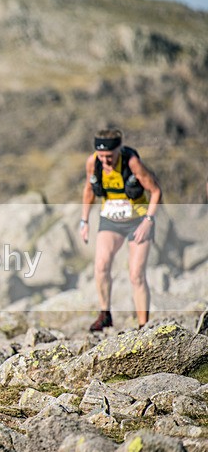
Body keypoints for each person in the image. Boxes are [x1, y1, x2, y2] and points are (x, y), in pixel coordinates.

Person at [80, 128, 162, 331]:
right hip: (111, 220)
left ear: (119, 149)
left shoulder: (131, 162)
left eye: (110, 156)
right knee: (101, 265)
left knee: (136, 274)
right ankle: (105, 314)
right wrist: (84, 221)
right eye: (102, 156)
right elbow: (89, 190)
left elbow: (155, 191)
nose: (106, 161)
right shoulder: (93, 162)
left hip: (138, 221)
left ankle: (143, 325)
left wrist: (148, 220)